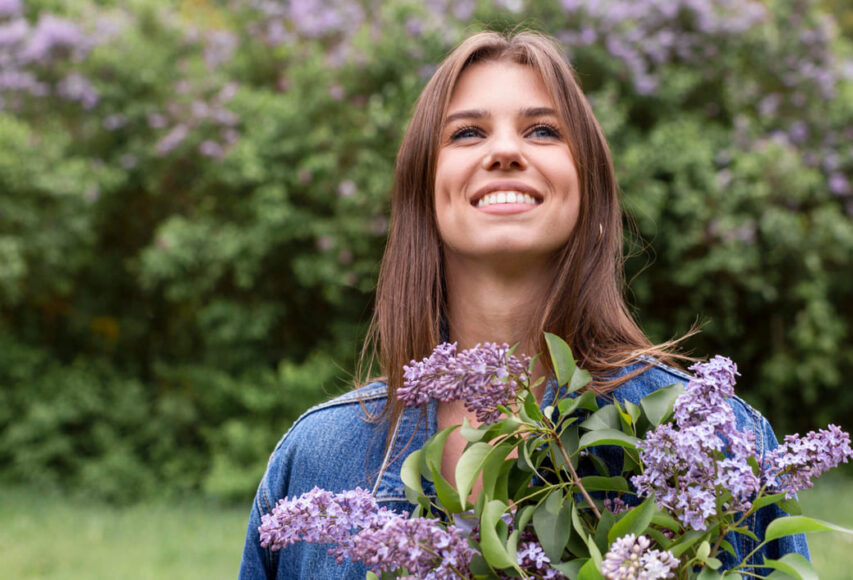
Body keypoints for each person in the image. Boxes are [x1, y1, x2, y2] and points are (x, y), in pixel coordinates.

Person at [239, 30, 808, 579]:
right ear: (423, 194)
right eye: (466, 134)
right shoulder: (317, 461)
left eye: (542, 131)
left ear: (591, 190)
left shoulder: (724, 446)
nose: (506, 151)